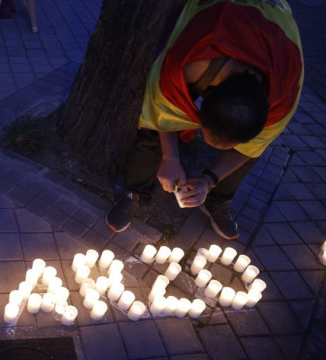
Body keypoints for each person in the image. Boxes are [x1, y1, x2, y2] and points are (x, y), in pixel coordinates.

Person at [105, 0, 303, 240]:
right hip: (217, 13)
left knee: (254, 151)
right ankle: (134, 192)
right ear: (205, 95)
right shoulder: (189, 59)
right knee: (153, 129)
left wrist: (209, 181)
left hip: (274, 23)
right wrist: (170, 157)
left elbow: (253, 146)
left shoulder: (285, 96)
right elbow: (159, 108)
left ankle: (218, 200)